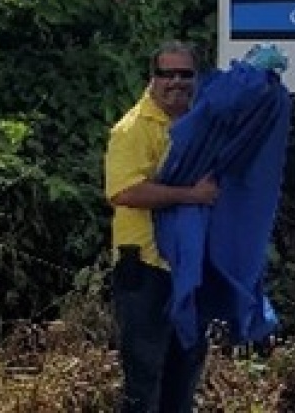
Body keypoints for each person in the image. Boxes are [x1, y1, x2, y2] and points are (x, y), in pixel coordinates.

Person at [104, 42, 219, 413]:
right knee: (144, 381)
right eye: (166, 73)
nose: (176, 82)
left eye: (184, 74)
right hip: (145, 270)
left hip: (189, 269)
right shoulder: (133, 128)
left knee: (183, 379)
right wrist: (191, 195)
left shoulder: (201, 123)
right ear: (152, 78)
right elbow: (124, 191)